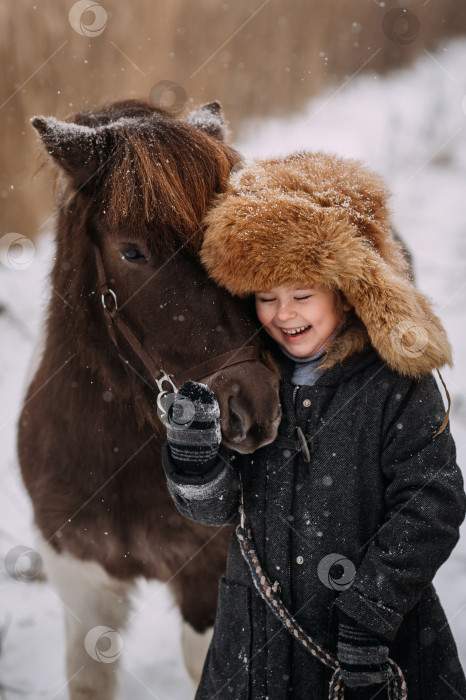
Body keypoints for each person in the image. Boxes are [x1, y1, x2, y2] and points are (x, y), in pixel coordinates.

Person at [162, 152, 466, 699]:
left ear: (347, 293)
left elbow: (432, 504)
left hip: (373, 641)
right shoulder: (253, 381)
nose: (284, 313)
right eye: (265, 298)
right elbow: (219, 509)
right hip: (252, 643)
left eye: (302, 294)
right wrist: (194, 461)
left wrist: (369, 614)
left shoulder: (392, 385)